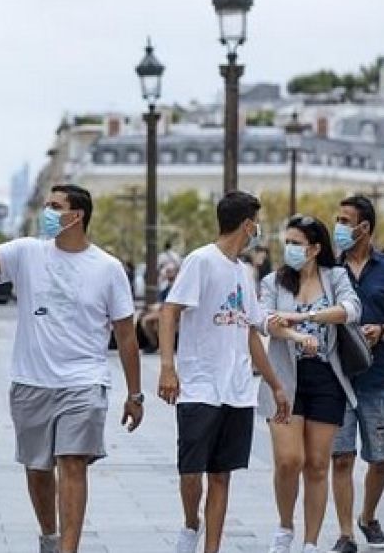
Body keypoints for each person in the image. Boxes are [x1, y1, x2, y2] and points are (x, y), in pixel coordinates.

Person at [0, 183, 144, 553]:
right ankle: (50, 539)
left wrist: (135, 394)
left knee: (72, 463)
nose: (47, 212)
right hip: (31, 381)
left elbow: (127, 336)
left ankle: (68, 549)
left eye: (55, 206)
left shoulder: (108, 268)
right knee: (37, 469)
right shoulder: (27, 252)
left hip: (84, 382)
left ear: (77, 216)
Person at [156, 191, 289, 553]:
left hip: (237, 389)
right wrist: (168, 368)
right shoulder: (201, 260)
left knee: (221, 474)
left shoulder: (244, 272)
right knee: (190, 472)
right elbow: (169, 311)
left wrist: (275, 385)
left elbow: (251, 330)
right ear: (247, 225)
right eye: (256, 223)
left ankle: (211, 548)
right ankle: (190, 522)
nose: (257, 230)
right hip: (199, 385)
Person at [259, 216, 362, 553]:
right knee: (289, 460)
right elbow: (267, 322)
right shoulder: (274, 281)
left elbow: (351, 309)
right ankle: (285, 527)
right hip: (284, 377)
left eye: (297, 243)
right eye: (286, 242)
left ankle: (310, 542)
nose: (289, 249)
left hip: (326, 378)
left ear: (316, 248)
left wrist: (306, 318)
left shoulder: (336, 277)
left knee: (318, 464)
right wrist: (296, 335)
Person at [329, 195, 384, 553]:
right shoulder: (329, 270)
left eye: (344, 220)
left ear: (364, 227)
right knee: (341, 456)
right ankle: (346, 532)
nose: (338, 226)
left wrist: (382, 331)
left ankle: (368, 516)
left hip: (379, 377)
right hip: (336, 379)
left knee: (379, 458)